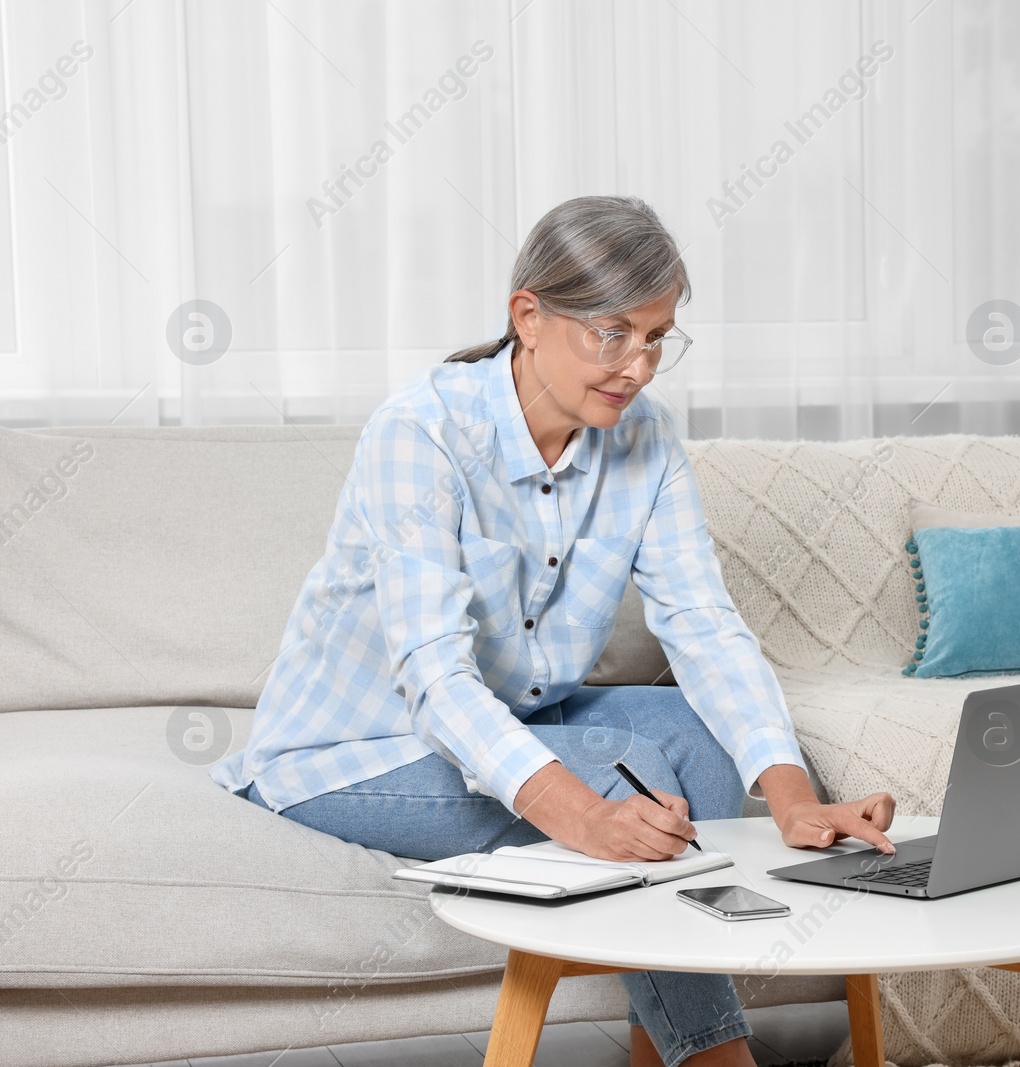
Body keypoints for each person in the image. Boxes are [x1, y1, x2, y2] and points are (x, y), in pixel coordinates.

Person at [212, 195, 897, 1067]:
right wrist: (583, 814)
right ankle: (719, 1058)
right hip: (351, 747)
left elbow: (704, 624)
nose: (639, 365)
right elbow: (435, 677)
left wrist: (793, 795)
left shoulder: (645, 439)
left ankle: (670, 1045)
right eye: (614, 334)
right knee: (637, 779)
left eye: (658, 337)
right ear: (528, 317)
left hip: (514, 716)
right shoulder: (419, 433)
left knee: (705, 743)